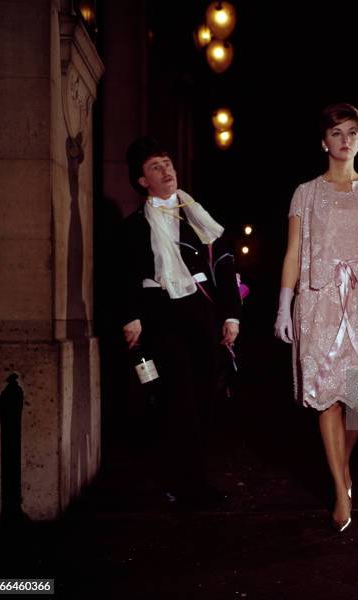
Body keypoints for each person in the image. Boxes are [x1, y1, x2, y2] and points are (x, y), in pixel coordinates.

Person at [274, 103, 358, 532]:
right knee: (325, 395)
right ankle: (341, 489)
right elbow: (292, 253)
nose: (344, 140)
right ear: (324, 141)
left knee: (357, 400)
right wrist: (283, 305)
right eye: (336, 133)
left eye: (351, 132)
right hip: (317, 303)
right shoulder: (306, 192)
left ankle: (343, 466)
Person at [119, 136, 241, 507]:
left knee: (205, 391)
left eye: (168, 163)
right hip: (160, 310)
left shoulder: (197, 214)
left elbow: (223, 263)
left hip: (200, 309)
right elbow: (121, 274)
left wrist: (232, 314)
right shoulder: (134, 226)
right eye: (156, 167)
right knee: (178, 395)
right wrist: (131, 317)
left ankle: (191, 475)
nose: (166, 171)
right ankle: (187, 483)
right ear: (143, 181)